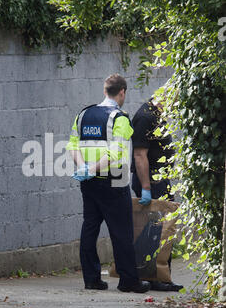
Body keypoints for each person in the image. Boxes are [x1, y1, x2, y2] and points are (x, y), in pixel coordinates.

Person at [66, 74, 151, 294]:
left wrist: (84, 168)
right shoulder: (119, 118)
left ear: (105, 91)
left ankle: (92, 279)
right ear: (122, 92)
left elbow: (72, 145)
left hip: (88, 183)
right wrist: (93, 168)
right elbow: (115, 154)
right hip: (113, 182)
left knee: (89, 228)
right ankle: (129, 281)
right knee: (121, 232)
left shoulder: (84, 114)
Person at [131, 94, 183, 292]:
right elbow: (139, 154)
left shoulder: (157, 114)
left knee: (161, 228)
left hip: (159, 179)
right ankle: (155, 278)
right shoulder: (145, 116)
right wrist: (145, 188)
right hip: (151, 181)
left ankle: (160, 276)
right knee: (156, 230)